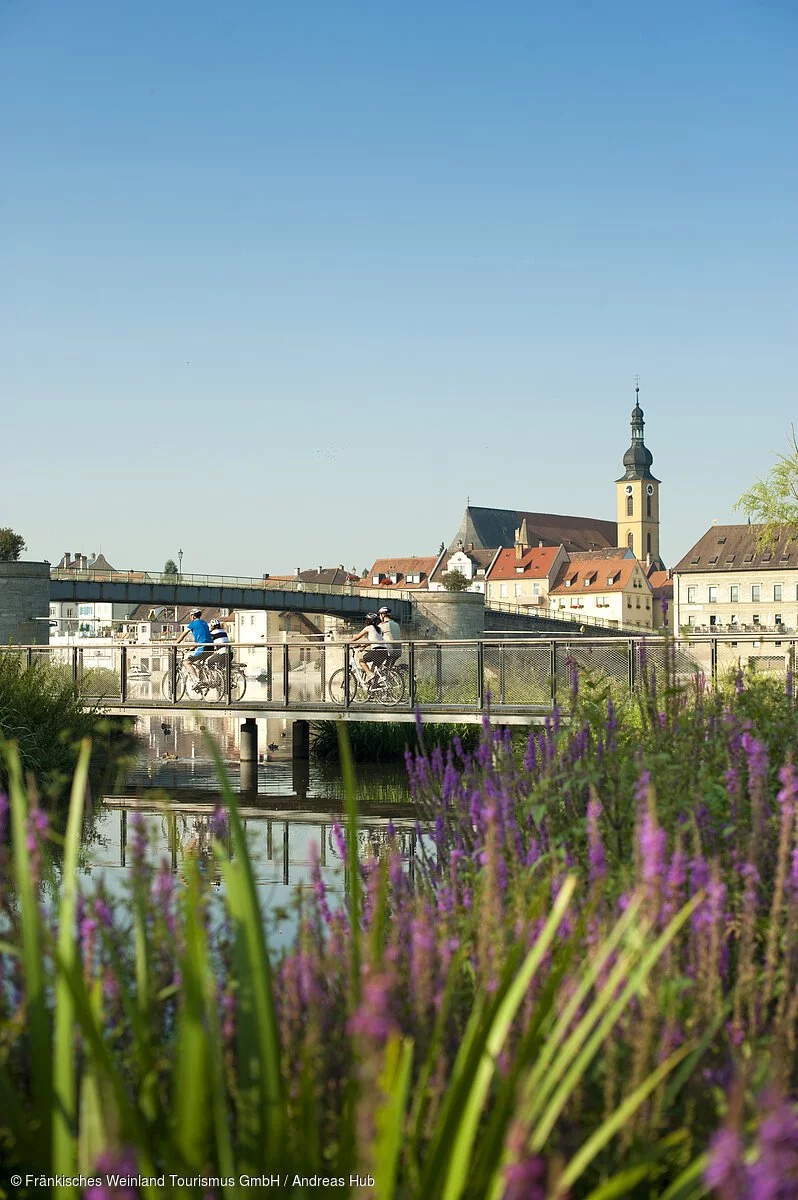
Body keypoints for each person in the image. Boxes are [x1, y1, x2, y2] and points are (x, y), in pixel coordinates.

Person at [350, 612, 388, 680]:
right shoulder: (380, 629)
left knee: (361, 661)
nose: (365, 621)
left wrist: (346, 643)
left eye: (367, 620)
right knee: (374, 668)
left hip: (377, 651)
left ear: (369, 620)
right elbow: (375, 640)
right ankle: (373, 687)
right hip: (384, 651)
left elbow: (357, 637)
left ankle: (370, 674)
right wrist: (364, 646)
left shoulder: (369, 628)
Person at [183, 608, 214, 679]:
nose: (190, 617)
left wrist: (175, 644)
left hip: (203, 647)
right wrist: (193, 647)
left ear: (193, 616)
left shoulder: (193, 624)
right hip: (211, 647)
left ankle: (197, 680)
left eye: (190, 616)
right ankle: (201, 683)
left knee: (186, 662)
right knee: (197, 663)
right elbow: (203, 637)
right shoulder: (204, 623)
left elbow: (183, 635)